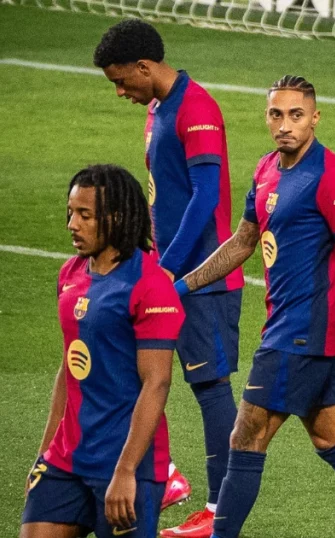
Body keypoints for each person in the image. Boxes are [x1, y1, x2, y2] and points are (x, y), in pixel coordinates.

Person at [177, 75, 335, 538]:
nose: (285, 124)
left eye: (296, 115)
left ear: (315, 118)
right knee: (333, 439)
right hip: (291, 328)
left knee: (245, 437)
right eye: (276, 114)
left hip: (300, 333)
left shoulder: (331, 176)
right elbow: (242, 242)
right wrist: (180, 289)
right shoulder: (267, 168)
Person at [94, 19, 243, 533]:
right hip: (169, 270)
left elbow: (206, 197)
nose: (120, 92)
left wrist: (168, 268)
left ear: (144, 67)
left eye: (122, 80)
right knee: (137, 371)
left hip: (201, 278)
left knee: (210, 386)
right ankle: (166, 474)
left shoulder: (197, 108)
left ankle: (222, 511)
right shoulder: (159, 107)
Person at [21, 164, 184, 538]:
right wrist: (45, 452)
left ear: (116, 217)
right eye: (70, 212)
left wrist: (126, 471)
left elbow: (156, 383)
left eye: (84, 215)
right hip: (66, 459)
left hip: (126, 464)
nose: (72, 225)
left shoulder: (150, 286)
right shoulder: (70, 275)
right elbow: (69, 368)